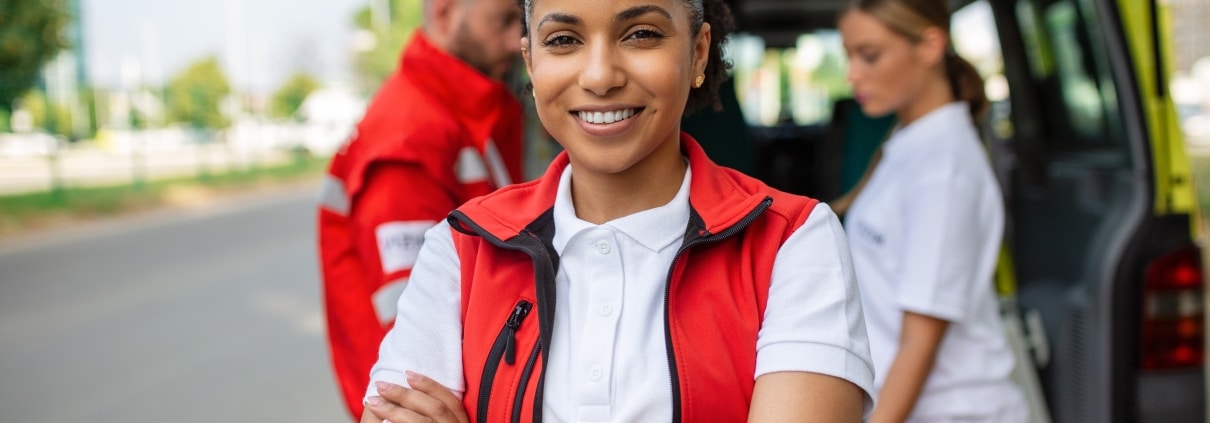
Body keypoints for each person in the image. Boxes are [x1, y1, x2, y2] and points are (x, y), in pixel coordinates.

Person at [357, 0, 876, 421]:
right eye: (563, 40)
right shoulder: (462, 245)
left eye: (642, 34)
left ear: (698, 53)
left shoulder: (793, 241)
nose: (601, 75)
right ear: (531, 61)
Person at [316, 0, 525, 418]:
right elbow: (414, 343)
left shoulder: (458, 111)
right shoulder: (409, 137)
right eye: (504, 20)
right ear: (446, 14)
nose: (517, 40)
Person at [837, 0, 1027, 421]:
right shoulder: (912, 144)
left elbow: (920, 343)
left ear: (929, 46)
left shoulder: (943, 169)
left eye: (869, 55)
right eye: (848, 55)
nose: (853, 74)